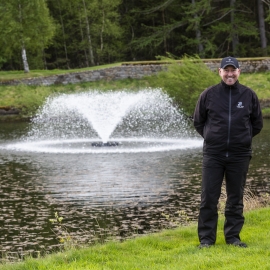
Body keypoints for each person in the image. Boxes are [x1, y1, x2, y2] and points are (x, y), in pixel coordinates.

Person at [193, 56, 263, 248]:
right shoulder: (208, 95)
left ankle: (233, 238)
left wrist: (242, 139)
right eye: (226, 70)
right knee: (209, 197)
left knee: (235, 198)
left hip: (239, 155)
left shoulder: (249, 95)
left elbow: (257, 124)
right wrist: (213, 138)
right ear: (220, 72)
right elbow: (198, 122)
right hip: (213, 155)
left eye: (233, 70)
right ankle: (206, 240)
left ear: (239, 72)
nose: (230, 74)